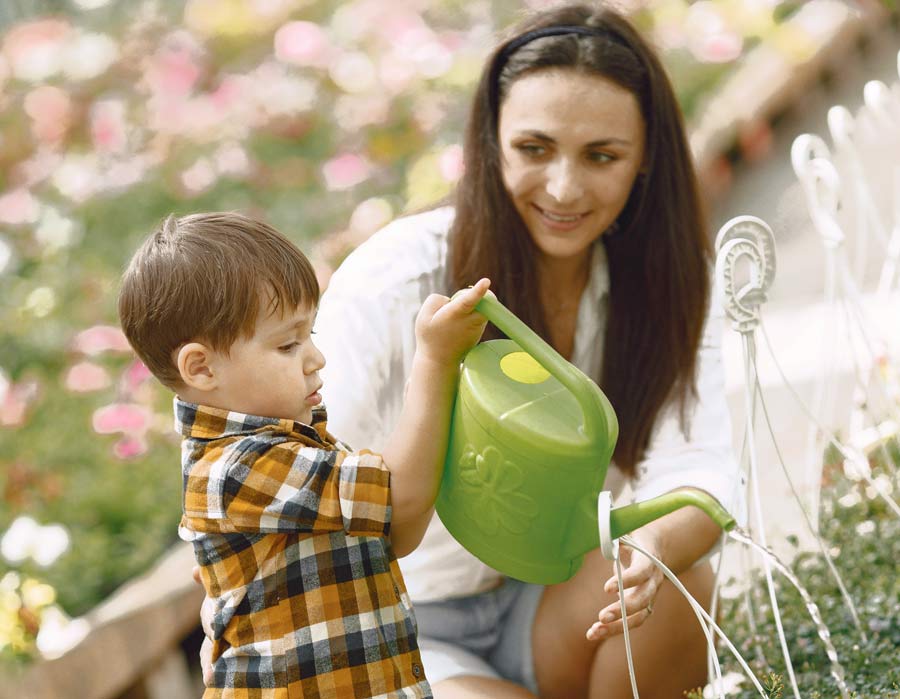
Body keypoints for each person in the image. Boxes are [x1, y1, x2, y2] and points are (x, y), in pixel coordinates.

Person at [312, 3, 746, 698]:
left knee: (680, 587)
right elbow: (310, 488)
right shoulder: (396, 280)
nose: (565, 189)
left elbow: (700, 466)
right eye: (534, 149)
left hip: (548, 602)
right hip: (399, 623)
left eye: (601, 156)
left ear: (645, 160)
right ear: (490, 142)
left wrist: (655, 546)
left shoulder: (667, 282)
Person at [118, 211, 491, 698]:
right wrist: (435, 361)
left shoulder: (298, 442)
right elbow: (400, 498)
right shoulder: (239, 466)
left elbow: (395, 533)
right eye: (288, 344)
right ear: (201, 367)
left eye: (310, 336)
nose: (315, 359)